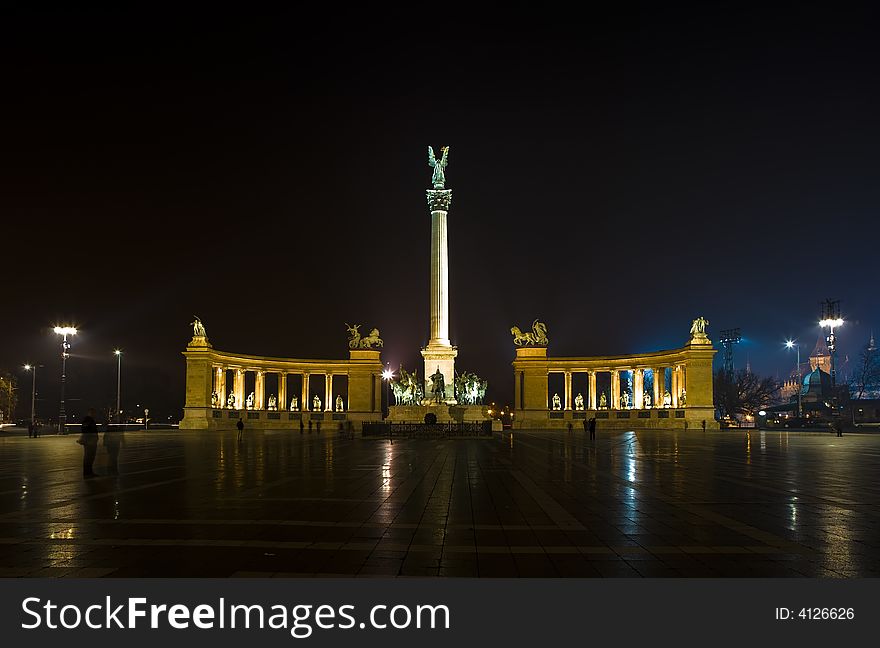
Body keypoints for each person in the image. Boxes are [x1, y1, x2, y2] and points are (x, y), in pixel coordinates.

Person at [78, 408, 100, 477]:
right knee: (89, 457)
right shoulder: (88, 420)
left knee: (89, 457)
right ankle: (87, 473)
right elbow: (87, 431)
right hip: (90, 442)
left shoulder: (89, 420)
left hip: (91, 441)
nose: (94, 414)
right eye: (93, 413)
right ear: (90, 413)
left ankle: (89, 472)